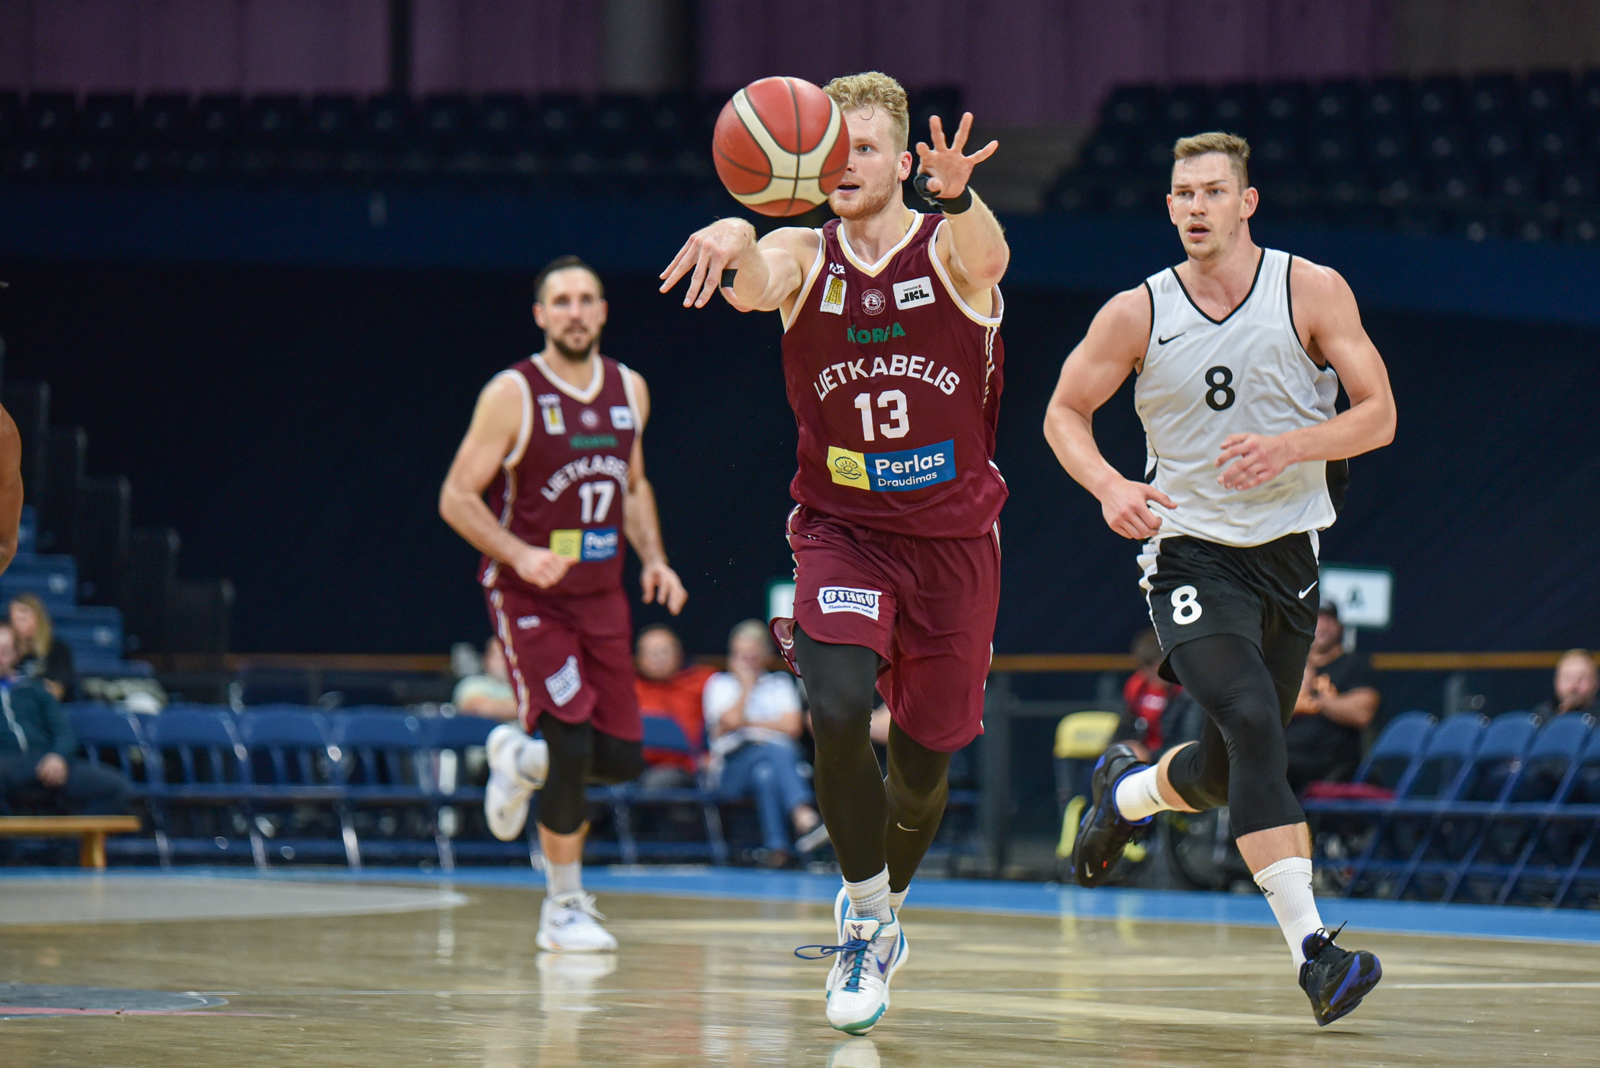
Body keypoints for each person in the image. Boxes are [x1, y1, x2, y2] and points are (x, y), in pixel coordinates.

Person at [661, 70, 1010, 1033]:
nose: (842, 165)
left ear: (900, 162)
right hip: (841, 532)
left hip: (952, 544)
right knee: (840, 706)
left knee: (924, 772)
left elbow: (989, 258)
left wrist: (960, 196)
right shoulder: (804, 253)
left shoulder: (947, 245)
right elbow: (753, 283)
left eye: (861, 148)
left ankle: (889, 906)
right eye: (828, 150)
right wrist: (734, 232)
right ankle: (863, 916)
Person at [1043, 131, 1397, 1027]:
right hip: (1189, 549)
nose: (1196, 206)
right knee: (1248, 718)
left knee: (1226, 762)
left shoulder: (1310, 289)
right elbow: (1064, 411)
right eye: (1182, 193)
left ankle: (1126, 792)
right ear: (1169, 207)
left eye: (1212, 191)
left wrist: (1290, 446)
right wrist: (1109, 485)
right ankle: (1316, 954)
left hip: (1288, 554)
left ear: (1247, 201)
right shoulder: (1137, 312)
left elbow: (1380, 415)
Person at [440, 255, 688, 954]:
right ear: (541, 315)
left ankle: (518, 759)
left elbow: (632, 484)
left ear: (603, 311)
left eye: (586, 299)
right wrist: (518, 554)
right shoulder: (513, 393)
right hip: (531, 596)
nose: (575, 311)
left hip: (602, 593)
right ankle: (563, 907)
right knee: (571, 743)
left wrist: (655, 559)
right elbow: (456, 496)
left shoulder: (629, 388)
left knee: (625, 758)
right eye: (562, 301)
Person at [703, 620, 820, 868]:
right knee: (776, 749)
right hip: (731, 769)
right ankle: (802, 812)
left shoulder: (779, 683)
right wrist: (747, 686)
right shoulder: (719, 684)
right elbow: (731, 721)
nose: (748, 662)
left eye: (753, 656)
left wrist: (748, 724)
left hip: (773, 764)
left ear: (766, 655)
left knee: (765, 774)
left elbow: (793, 727)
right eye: (742, 656)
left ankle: (777, 850)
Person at [0, 621, 130, 818]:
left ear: (17, 655)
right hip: (5, 764)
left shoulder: (35, 689)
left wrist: (58, 756)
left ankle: (71, 837)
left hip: (45, 760)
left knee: (117, 789)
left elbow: (63, 731)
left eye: (5, 651)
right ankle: (12, 839)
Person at [1286, 604, 1380, 793]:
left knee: (1272, 765)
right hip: (1287, 753)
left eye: (1328, 620)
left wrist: (1314, 696)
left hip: (1330, 762)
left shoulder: (1353, 664)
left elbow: (1361, 714)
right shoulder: (1290, 667)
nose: (1322, 626)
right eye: (1316, 619)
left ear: (1339, 627)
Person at [633, 624, 714, 786]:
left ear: (679, 654)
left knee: (657, 783)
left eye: (664, 651)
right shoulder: (628, 687)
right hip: (633, 764)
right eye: (651, 653)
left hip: (683, 768)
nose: (658, 658)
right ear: (639, 658)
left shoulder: (705, 681)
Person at [1118, 628, 1176, 761]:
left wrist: (1150, 755)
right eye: (1144, 666)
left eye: (1153, 666)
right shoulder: (1137, 685)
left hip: (1171, 759)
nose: (1148, 673)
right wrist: (1119, 748)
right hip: (1139, 757)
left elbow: (1188, 739)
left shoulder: (1184, 692)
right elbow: (1125, 726)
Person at [10, 594, 75, 702]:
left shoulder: (57, 649)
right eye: (13, 620)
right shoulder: (8, 652)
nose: (16, 624)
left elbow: (59, 690)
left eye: (22, 619)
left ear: (38, 620)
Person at [451, 637, 518, 721]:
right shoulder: (472, 684)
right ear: (487, 659)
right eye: (499, 656)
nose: (504, 662)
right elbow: (479, 708)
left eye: (511, 656)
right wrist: (527, 708)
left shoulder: (526, 688)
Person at [1533, 649, 1598, 724]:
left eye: (1581, 679)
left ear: (1596, 683)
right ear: (1556, 681)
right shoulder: (1541, 718)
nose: (1573, 686)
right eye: (1567, 678)